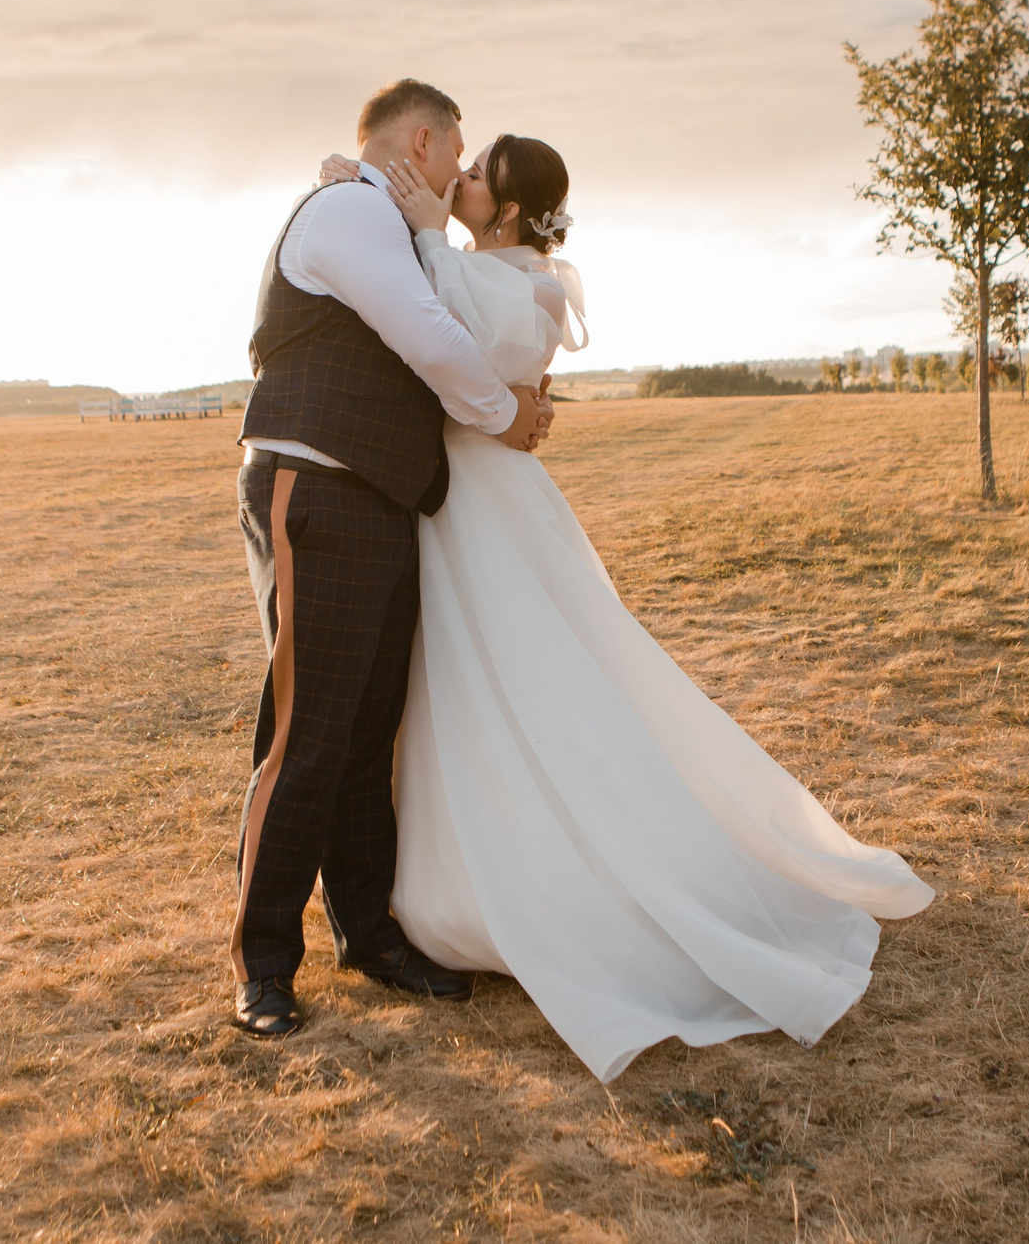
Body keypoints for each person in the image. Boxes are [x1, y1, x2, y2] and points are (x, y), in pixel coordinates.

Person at [312, 133, 933, 1083]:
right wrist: (354, 181)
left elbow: (449, 335)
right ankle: (454, 875)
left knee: (527, 686)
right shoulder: (482, 264)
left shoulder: (526, 289)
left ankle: (531, 888)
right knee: (459, 691)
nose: (458, 180)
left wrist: (427, 229)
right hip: (453, 502)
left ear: (504, 211)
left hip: (485, 507)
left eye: (475, 176)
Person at [229, 80, 554, 1040]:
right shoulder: (347, 212)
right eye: (457, 149)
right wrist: (506, 417)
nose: (459, 169)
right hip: (317, 485)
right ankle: (263, 963)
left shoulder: (391, 221)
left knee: (371, 734)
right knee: (309, 734)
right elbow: (428, 335)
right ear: (422, 140)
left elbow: (449, 312)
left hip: (385, 497)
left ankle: (369, 932)